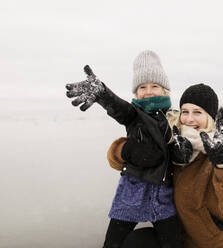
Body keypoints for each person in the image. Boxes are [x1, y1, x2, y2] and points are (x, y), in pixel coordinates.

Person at [107, 83, 223, 248]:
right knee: (135, 242)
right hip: (176, 240)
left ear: (210, 118)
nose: (189, 119)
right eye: (185, 112)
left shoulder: (222, 155)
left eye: (197, 112)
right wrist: (125, 150)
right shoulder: (173, 142)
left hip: (213, 245)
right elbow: (116, 161)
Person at [65, 50, 182, 248]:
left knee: (174, 244)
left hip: (163, 196)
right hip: (131, 194)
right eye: (142, 87)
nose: (148, 91)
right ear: (136, 92)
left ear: (165, 90)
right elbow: (120, 109)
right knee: (112, 244)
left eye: (154, 86)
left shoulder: (175, 118)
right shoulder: (134, 114)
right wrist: (103, 94)